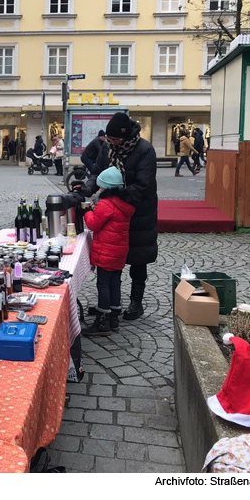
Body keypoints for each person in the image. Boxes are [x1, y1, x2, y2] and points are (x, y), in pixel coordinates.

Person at [71, 112, 158, 321]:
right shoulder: (107, 147)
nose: (113, 143)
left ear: (126, 136)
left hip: (139, 211)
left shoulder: (145, 149)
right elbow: (97, 174)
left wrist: (119, 193)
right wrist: (87, 189)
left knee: (138, 258)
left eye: (116, 139)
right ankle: (110, 304)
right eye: (110, 139)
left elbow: (144, 185)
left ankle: (136, 302)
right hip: (114, 207)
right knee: (112, 261)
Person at [81, 167, 135, 337]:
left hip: (106, 251)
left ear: (106, 188)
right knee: (115, 282)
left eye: (100, 187)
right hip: (119, 252)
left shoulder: (106, 204)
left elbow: (94, 224)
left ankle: (102, 321)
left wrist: (87, 211)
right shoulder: (125, 204)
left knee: (103, 284)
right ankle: (114, 318)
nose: (98, 189)